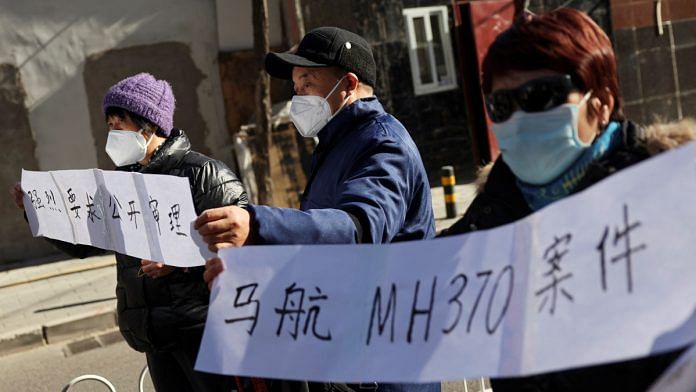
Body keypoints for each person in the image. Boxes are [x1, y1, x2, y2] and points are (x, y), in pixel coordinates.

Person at [439, 8, 695, 391]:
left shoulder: (677, 201)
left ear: (601, 102)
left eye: (540, 96)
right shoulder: (494, 215)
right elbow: (413, 285)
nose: (520, 118)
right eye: (502, 106)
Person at [195, 27, 439, 392]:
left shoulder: (383, 144)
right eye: (295, 86)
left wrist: (257, 222)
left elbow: (356, 229)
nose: (297, 96)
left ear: (348, 84)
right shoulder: (338, 142)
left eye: (307, 82)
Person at [11, 73, 246, 392]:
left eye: (117, 126)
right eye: (108, 126)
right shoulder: (120, 185)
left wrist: (182, 263)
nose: (111, 136)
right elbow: (86, 242)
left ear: (148, 126)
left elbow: (242, 247)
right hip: (154, 336)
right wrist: (36, 212)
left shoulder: (205, 175)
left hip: (206, 333)